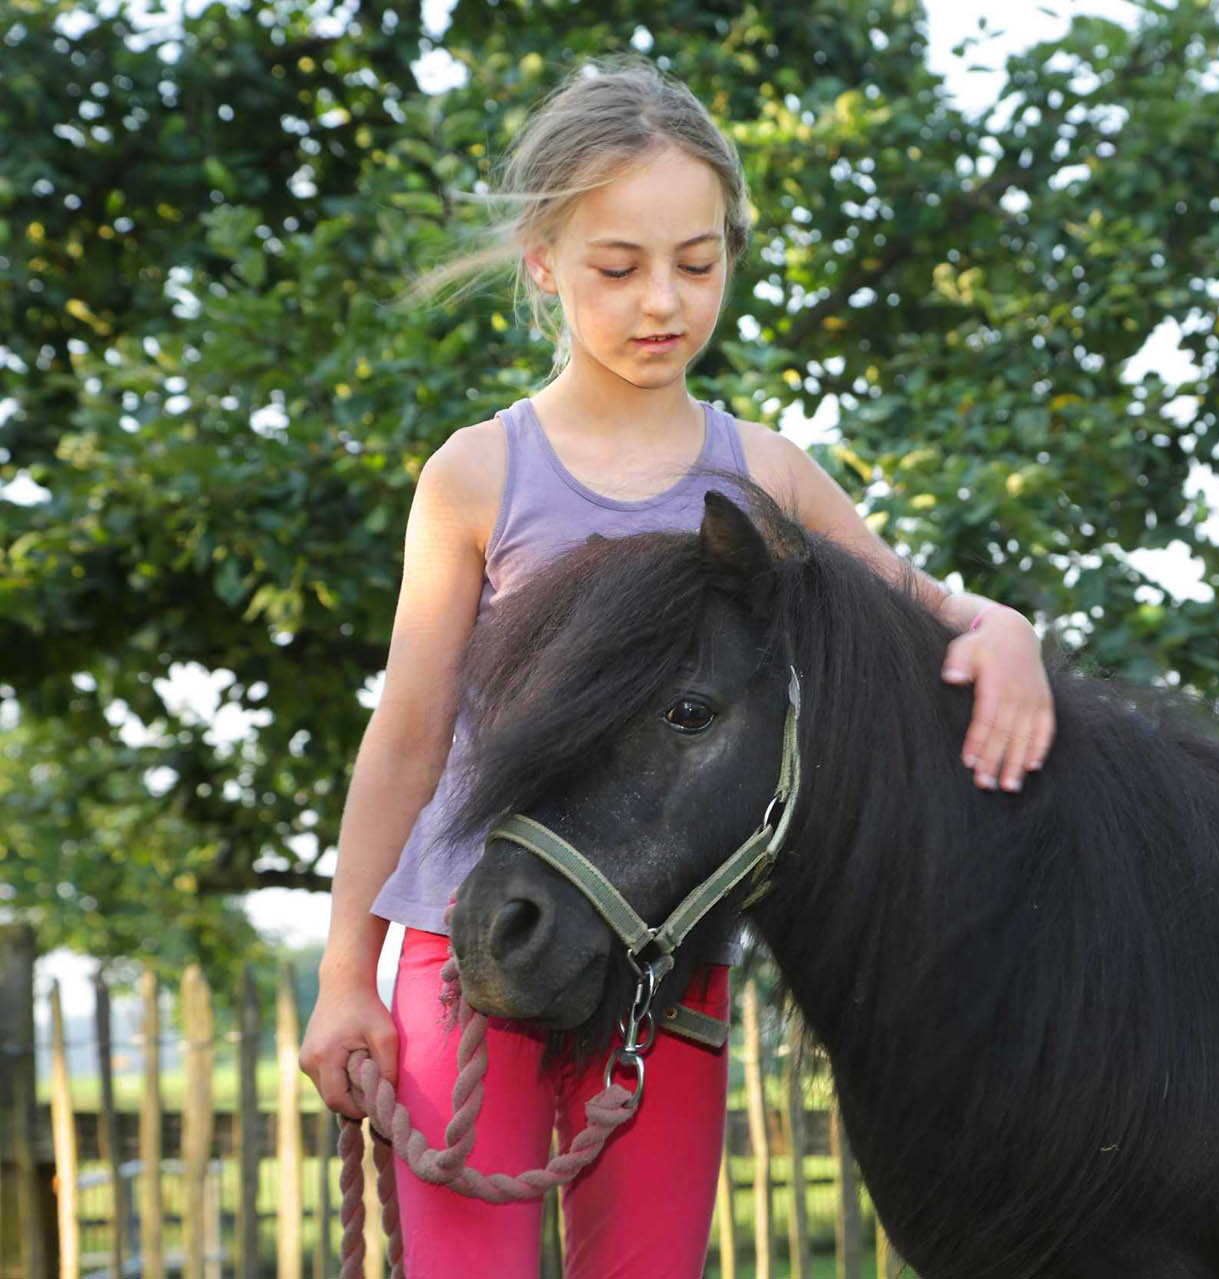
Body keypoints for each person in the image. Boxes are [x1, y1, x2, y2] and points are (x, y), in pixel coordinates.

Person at [297, 52, 1056, 1278]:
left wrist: (1006, 629)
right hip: (466, 954)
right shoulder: (476, 476)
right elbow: (409, 732)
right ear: (543, 263)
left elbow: (930, 611)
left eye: (697, 263)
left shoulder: (769, 477)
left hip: (662, 975)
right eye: (619, 266)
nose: (665, 301)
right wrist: (347, 974)